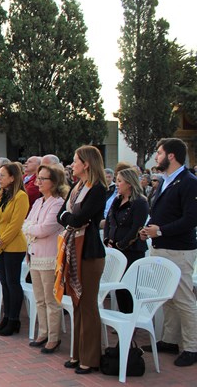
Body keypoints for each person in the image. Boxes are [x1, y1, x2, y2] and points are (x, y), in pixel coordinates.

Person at [139, 138, 197, 367]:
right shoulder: (165, 181)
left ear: (171, 156)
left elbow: (191, 219)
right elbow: (161, 212)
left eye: (159, 153)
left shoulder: (189, 182)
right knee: (168, 298)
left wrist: (160, 231)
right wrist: (149, 230)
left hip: (179, 250)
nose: (156, 156)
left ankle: (191, 346)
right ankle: (170, 340)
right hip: (161, 247)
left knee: (184, 299)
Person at [56, 145, 107, 374]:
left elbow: (79, 219)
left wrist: (71, 218)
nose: (72, 164)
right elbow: (63, 215)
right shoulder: (77, 187)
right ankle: (77, 354)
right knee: (76, 302)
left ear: (86, 164)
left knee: (87, 305)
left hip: (89, 252)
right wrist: (71, 217)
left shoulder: (97, 189)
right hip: (73, 248)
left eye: (75, 161)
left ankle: (90, 358)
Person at [24, 164, 68, 353]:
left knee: (51, 300)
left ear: (54, 182)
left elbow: (45, 229)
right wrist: (31, 229)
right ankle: (43, 332)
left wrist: (31, 229)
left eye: (43, 179)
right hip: (34, 254)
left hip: (49, 257)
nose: (38, 182)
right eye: (38, 178)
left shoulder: (57, 203)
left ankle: (54, 337)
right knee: (39, 298)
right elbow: (25, 224)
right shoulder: (38, 202)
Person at [0, 162, 29, 336]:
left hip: (13, 246)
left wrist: (1, 241)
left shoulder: (21, 196)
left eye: (3, 175)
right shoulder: (0, 194)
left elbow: (15, 224)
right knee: (4, 282)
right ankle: (6, 317)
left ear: (12, 178)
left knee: (13, 283)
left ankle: (14, 320)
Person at [103, 167, 149, 313]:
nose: (117, 184)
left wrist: (120, 244)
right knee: (118, 286)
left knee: (129, 287)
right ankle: (124, 315)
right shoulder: (117, 200)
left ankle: (132, 317)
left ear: (129, 183)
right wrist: (107, 239)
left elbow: (136, 227)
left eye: (119, 181)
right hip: (115, 249)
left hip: (131, 250)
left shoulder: (140, 202)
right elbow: (109, 220)